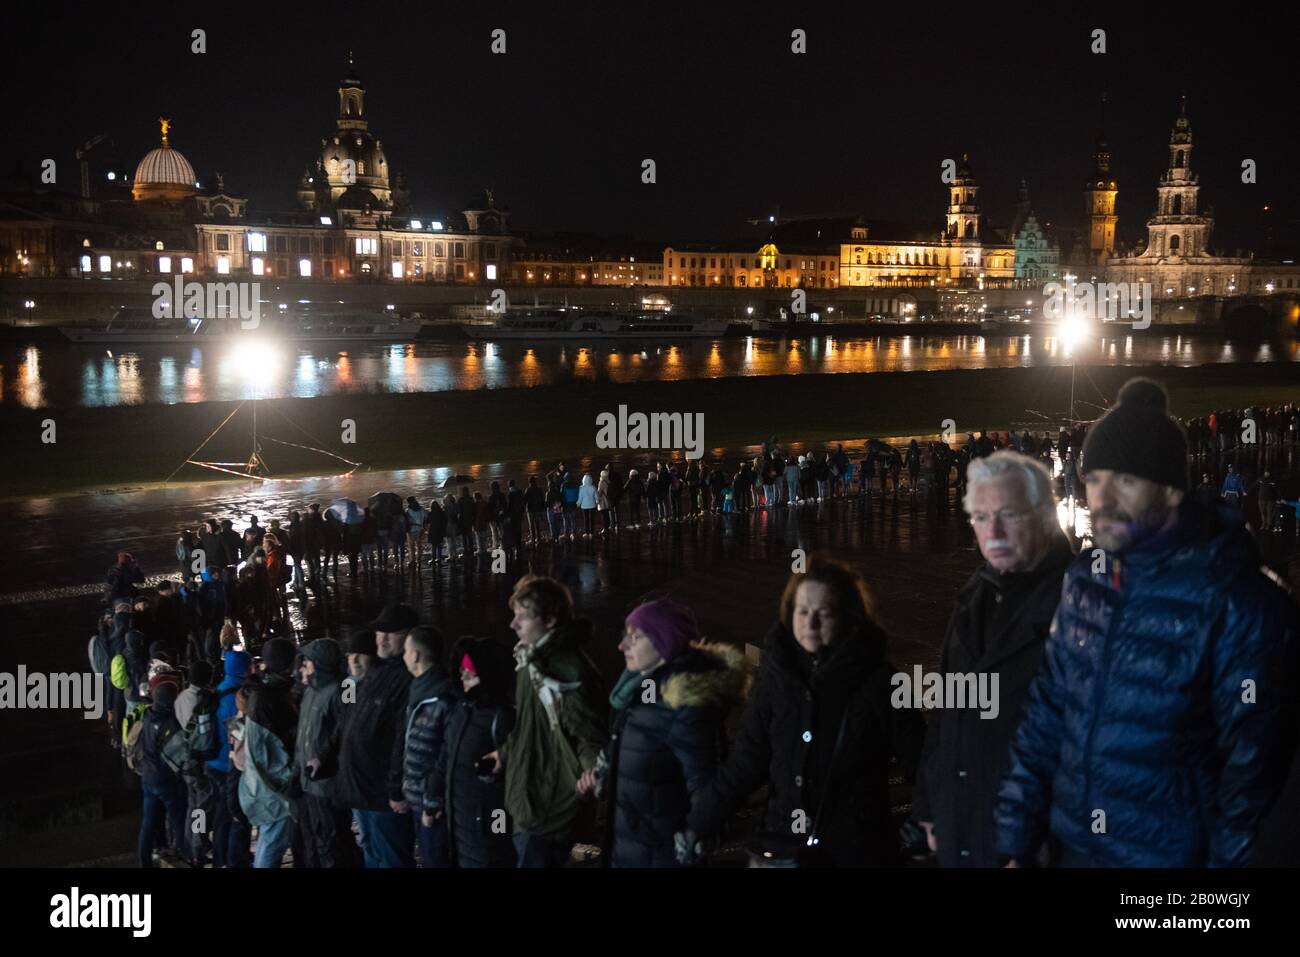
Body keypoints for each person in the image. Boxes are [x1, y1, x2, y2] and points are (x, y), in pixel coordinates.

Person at [996, 378, 1300, 867]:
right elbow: (1045, 718)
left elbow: (1250, 786)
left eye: (1127, 480)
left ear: (1172, 492)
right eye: (1094, 479)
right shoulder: (1084, 582)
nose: (1103, 498)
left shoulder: (1244, 605)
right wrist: (1014, 839)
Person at [683, 558, 924, 866]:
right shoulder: (775, 680)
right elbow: (745, 764)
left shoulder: (881, 682)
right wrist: (698, 824)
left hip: (858, 851)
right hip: (785, 848)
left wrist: (926, 819)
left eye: (823, 613)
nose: (810, 623)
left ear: (848, 617)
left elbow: (921, 759)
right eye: (802, 611)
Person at [911, 452, 1074, 867]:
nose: (993, 531)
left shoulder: (1080, 604)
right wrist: (929, 806)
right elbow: (946, 711)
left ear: (1044, 515)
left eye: (1007, 514)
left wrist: (1047, 846)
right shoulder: (974, 595)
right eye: (980, 517)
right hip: (962, 832)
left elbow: (1099, 749)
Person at [579, 598, 745, 867]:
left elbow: (704, 787)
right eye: (625, 636)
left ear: (665, 642)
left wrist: (694, 839)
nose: (622, 645)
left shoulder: (684, 707)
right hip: (629, 849)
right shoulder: (641, 692)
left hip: (656, 856)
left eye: (636, 637)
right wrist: (603, 775)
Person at [499, 576, 608, 867]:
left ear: (549, 620)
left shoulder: (567, 670)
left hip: (549, 804)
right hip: (529, 799)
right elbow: (526, 725)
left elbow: (589, 733)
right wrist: (503, 754)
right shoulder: (530, 660)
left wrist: (591, 773)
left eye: (523, 617)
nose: (513, 625)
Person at [337, 604, 418, 867]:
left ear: (410, 637)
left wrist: (396, 789)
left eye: (390, 633)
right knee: (371, 849)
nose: (381, 638)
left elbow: (403, 741)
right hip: (363, 789)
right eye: (379, 632)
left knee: (391, 857)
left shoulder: (407, 679)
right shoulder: (377, 672)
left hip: (384, 795)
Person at [432, 637, 518, 867]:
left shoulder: (502, 717)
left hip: (486, 826)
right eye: (461, 672)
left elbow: (512, 774)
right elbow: (446, 755)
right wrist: (434, 794)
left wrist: (498, 832)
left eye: (469, 674)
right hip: (460, 821)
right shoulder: (461, 710)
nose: (463, 679)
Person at [294, 638, 357, 868]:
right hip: (308, 783)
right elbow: (303, 737)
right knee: (316, 842)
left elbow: (343, 734)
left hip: (326, 785)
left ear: (319, 665)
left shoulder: (338, 692)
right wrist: (296, 771)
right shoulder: (311, 692)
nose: (303, 667)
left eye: (307, 662)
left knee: (332, 844)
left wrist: (323, 759)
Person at [239, 637, 299, 868]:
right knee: (272, 844)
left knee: (269, 840)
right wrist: (287, 784)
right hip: (274, 791)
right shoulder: (269, 699)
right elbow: (266, 753)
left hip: (263, 786)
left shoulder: (261, 692)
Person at [402, 625, 457, 868]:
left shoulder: (441, 697)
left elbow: (444, 755)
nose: (403, 656)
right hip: (417, 799)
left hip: (432, 805)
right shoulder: (419, 692)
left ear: (415, 655)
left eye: (406, 650)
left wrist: (432, 802)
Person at [207, 649, 251, 868]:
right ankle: (236, 860)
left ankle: (220, 858)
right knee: (238, 817)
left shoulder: (219, 690)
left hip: (212, 761)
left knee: (222, 814)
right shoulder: (237, 698)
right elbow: (238, 735)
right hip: (229, 765)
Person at [137, 682, 187, 868]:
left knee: (148, 821)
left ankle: (144, 861)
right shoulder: (170, 723)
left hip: (148, 776)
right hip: (165, 779)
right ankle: (185, 852)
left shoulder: (148, 715)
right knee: (179, 816)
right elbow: (180, 755)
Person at [174, 659, 218, 866]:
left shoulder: (180, 698)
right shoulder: (204, 700)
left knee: (193, 806)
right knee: (201, 808)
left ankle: (188, 844)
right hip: (200, 761)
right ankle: (197, 850)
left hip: (184, 761)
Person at [405, 496, 427, 564]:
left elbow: (407, 521)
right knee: (419, 545)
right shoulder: (421, 509)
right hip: (420, 529)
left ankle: (412, 560)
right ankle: (419, 559)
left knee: (411, 546)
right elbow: (426, 517)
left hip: (411, 530)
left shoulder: (408, 511)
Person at [577, 473, 599, 538]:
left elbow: (580, 498)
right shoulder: (593, 487)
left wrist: (578, 504)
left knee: (586, 519)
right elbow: (597, 497)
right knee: (592, 519)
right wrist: (597, 502)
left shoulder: (581, 488)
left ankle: (586, 532)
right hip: (593, 506)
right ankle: (591, 533)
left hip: (584, 506)